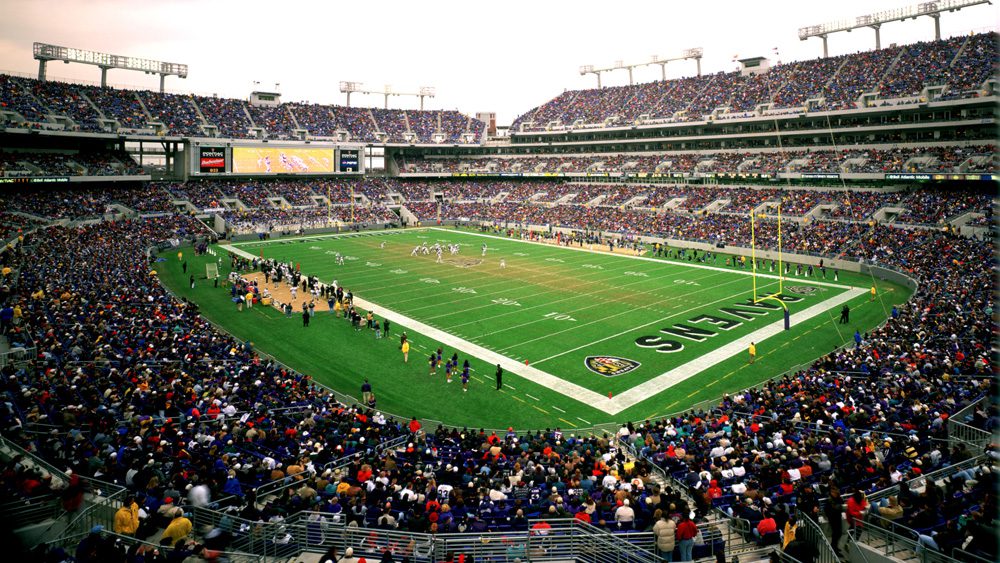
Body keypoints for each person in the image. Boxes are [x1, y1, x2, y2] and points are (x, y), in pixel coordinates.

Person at [825, 487, 845, 557]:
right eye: (835, 493)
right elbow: (830, 509)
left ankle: (834, 546)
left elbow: (842, 503)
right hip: (833, 518)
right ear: (831, 492)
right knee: (836, 533)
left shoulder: (837, 497)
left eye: (837, 493)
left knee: (838, 533)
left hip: (838, 517)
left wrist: (839, 497)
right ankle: (834, 548)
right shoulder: (829, 500)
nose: (836, 494)